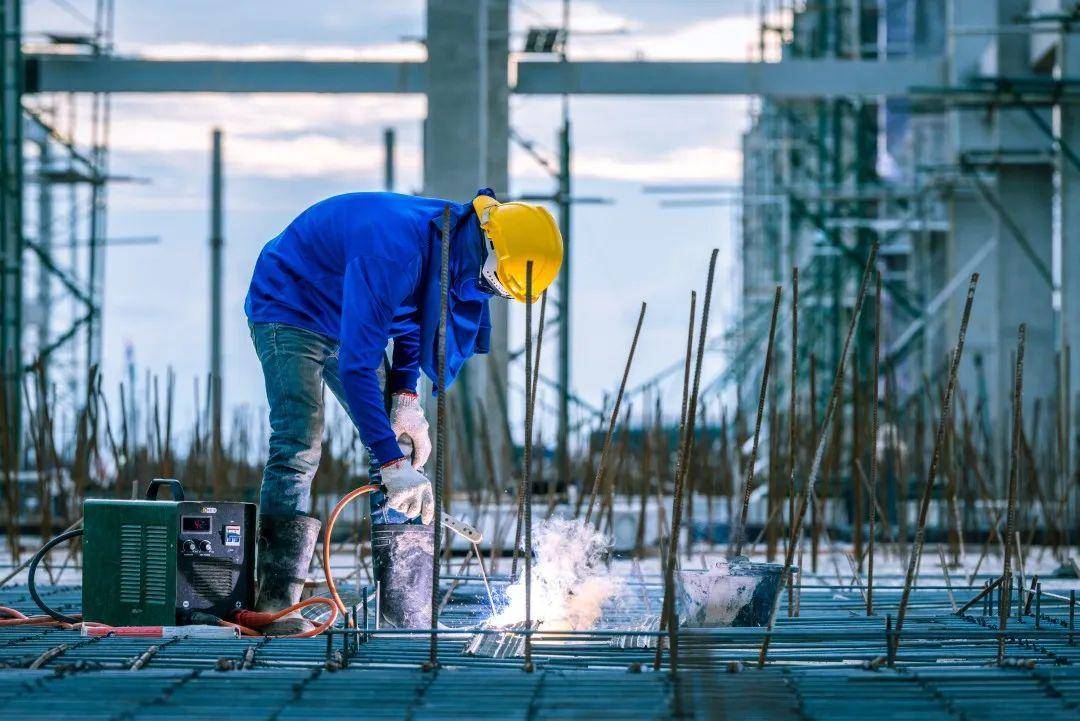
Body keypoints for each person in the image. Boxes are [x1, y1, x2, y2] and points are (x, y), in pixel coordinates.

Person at [244, 189, 562, 633]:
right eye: (492, 285)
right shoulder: (394, 252)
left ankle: (404, 615)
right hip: (290, 304)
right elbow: (357, 364)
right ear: (488, 249)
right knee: (300, 441)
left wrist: (406, 399)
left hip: (352, 313)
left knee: (393, 443)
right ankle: (275, 603)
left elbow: (417, 318)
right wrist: (392, 463)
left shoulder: (451, 238)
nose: (487, 293)